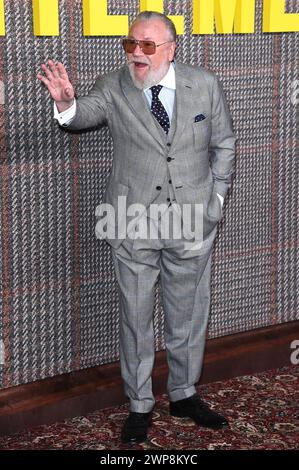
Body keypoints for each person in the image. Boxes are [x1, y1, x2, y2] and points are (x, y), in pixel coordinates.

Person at [37, 11, 236, 445]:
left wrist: (216, 200)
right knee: (136, 318)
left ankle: (184, 394)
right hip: (133, 222)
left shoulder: (204, 84)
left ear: (171, 48)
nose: (137, 54)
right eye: (131, 44)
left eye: (148, 45)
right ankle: (140, 404)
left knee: (187, 315)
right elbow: (82, 114)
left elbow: (223, 143)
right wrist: (66, 104)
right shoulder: (114, 86)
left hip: (191, 222)